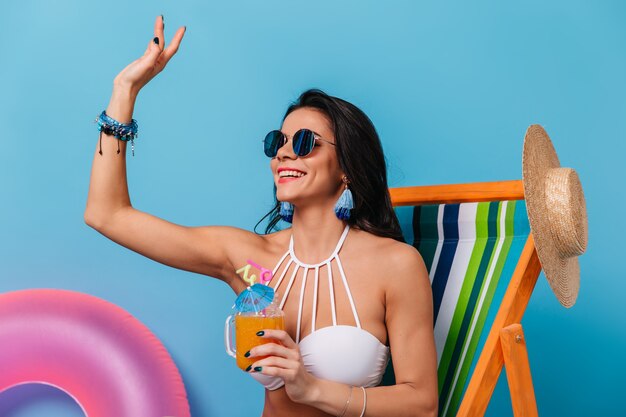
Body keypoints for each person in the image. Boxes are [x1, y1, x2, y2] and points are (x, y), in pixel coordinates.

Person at [85, 16, 437, 417]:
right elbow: (106, 213)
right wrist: (124, 90)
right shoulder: (249, 260)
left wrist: (311, 388)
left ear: (347, 168)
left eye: (305, 143)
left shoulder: (394, 266)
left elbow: (421, 403)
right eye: (278, 142)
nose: (284, 154)